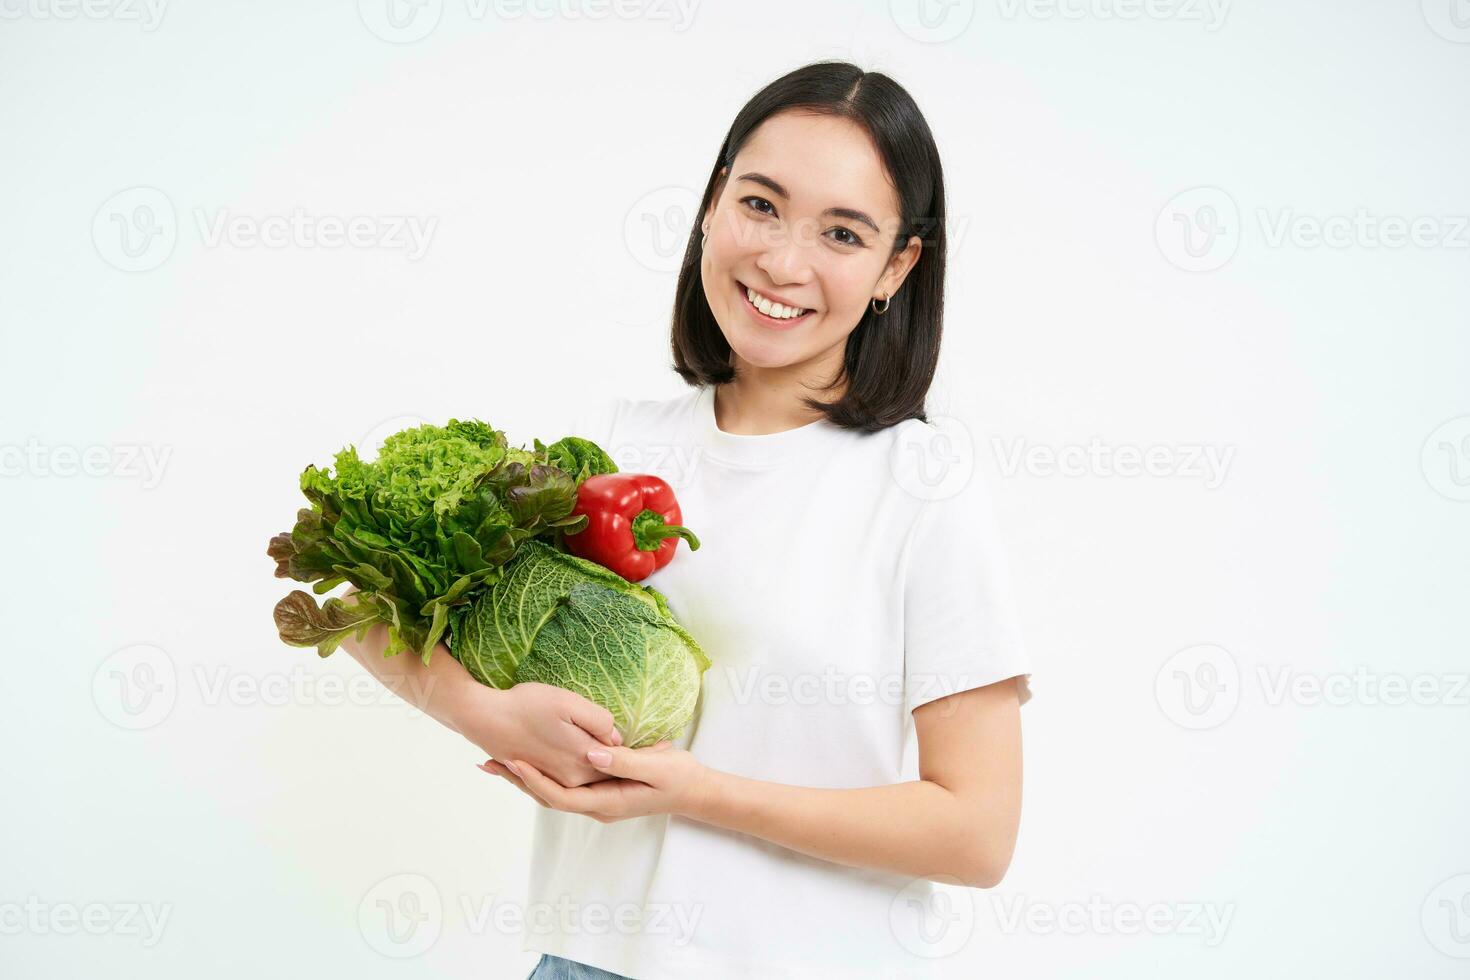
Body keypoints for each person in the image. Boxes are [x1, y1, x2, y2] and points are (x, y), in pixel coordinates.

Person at [346, 61, 1033, 979]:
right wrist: (483, 713)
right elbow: (362, 603)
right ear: (712, 205)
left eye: (842, 231)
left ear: (896, 267)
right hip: (583, 962)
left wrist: (701, 794)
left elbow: (977, 832)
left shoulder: (922, 487)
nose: (784, 262)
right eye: (760, 205)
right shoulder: (614, 448)